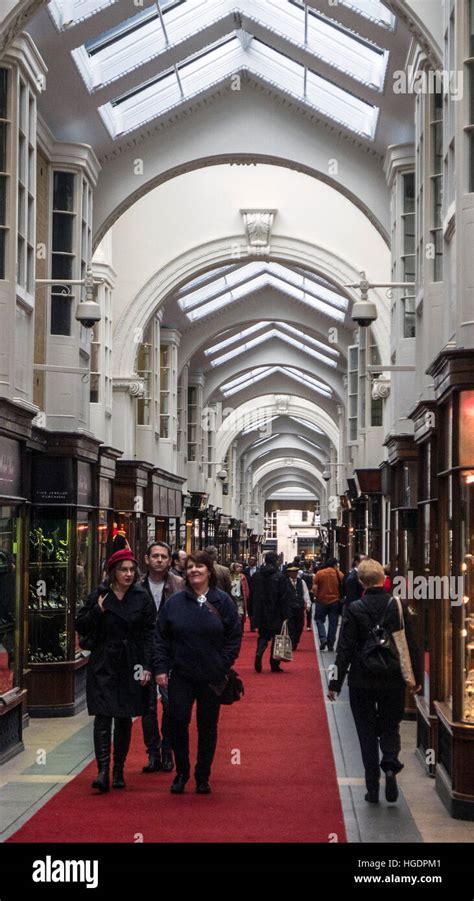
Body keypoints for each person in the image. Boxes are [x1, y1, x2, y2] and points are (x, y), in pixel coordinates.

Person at [328, 559, 422, 804]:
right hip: (392, 678)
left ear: (361, 582)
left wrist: (334, 683)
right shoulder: (398, 606)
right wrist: (417, 678)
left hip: (363, 679)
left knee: (366, 732)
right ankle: (390, 764)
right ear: (383, 579)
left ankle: (372, 787)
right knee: (391, 726)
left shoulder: (355, 608)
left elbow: (344, 649)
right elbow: (412, 644)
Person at [154, 550, 242, 794]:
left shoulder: (222, 602)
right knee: (178, 721)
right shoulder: (174, 603)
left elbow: (234, 636)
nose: (194, 570)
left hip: (211, 676)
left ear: (209, 571)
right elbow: (160, 637)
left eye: (199, 567)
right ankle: (182, 772)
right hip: (181, 674)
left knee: (207, 726)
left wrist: (222, 664)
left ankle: (203, 775)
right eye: (190, 566)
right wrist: (161, 668)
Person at [75, 549, 155, 793]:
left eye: (132, 570)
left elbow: (149, 634)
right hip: (104, 661)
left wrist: (147, 667)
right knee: (102, 714)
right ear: (113, 572)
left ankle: (118, 769)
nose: (128, 574)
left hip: (131, 661)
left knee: (123, 715)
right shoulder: (100, 595)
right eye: (123, 569)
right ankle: (102, 771)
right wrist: (98, 611)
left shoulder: (141, 597)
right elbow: (81, 624)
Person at [141, 541, 184, 774]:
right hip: (143, 654)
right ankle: (153, 753)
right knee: (147, 706)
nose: (159, 560)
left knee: (170, 704)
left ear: (170, 561)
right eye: (155, 556)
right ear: (147, 559)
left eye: (164, 556)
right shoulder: (137, 585)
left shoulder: (178, 585)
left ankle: (168, 750)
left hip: (170, 653)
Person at [250, 551, 291, 673]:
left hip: (261, 612)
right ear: (275, 561)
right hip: (276, 612)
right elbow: (284, 597)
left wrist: (252, 612)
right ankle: (274, 663)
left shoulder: (257, 575)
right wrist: (286, 614)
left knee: (263, 635)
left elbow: (252, 595)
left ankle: (259, 652)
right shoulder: (280, 577)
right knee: (276, 637)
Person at [312, 558, 344, 651]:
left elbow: (314, 588)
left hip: (321, 601)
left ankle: (323, 639)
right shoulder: (340, 574)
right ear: (334, 565)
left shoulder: (319, 573)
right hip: (335, 601)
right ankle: (331, 644)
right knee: (333, 623)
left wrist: (316, 596)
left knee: (319, 620)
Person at [285, 563, 310, 650]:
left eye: (295, 572)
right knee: (291, 625)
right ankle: (292, 642)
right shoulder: (285, 582)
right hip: (290, 607)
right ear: (289, 573)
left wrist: (308, 603)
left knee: (300, 625)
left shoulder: (301, 582)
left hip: (299, 607)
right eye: (292, 572)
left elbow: (305, 593)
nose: (294, 574)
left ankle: (296, 639)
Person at [229, 562, 249, 629]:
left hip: (240, 598)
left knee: (241, 614)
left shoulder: (242, 576)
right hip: (232, 598)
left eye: (240, 567)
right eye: (237, 567)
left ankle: (240, 628)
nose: (239, 568)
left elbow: (246, 587)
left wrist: (246, 596)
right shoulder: (230, 576)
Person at [301, 559, 315, 630]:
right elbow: (314, 585)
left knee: (301, 607)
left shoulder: (301, 574)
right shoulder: (313, 575)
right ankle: (308, 625)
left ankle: (301, 622)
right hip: (310, 592)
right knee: (309, 608)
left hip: (302, 592)